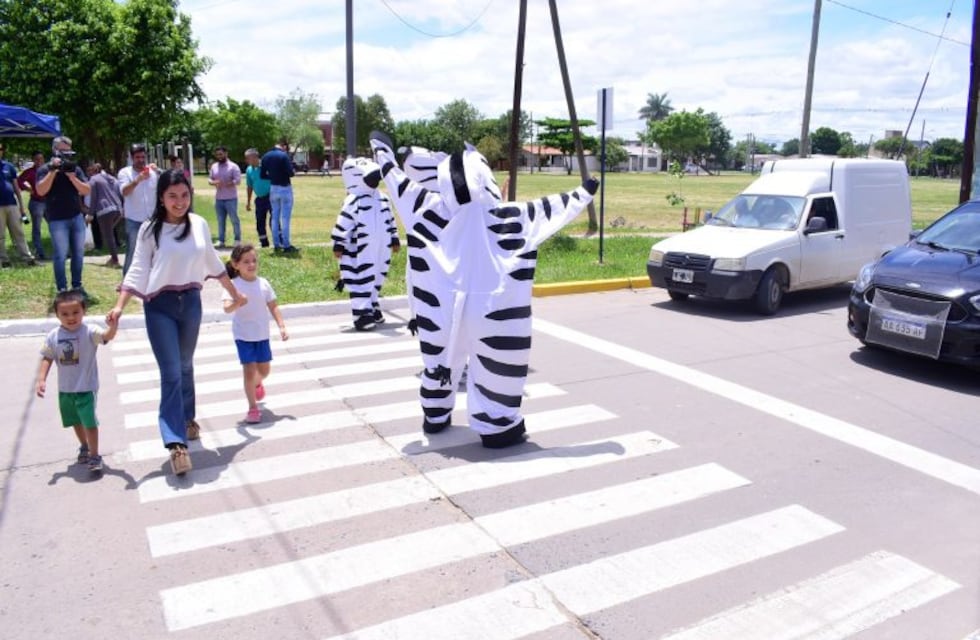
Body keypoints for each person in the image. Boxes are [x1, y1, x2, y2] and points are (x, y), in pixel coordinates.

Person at [370, 132, 598, 448]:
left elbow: (396, 181)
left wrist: (381, 150)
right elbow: (551, 211)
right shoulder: (511, 216)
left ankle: (435, 415)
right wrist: (583, 193)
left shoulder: (429, 208)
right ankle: (496, 425)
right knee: (497, 368)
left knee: (439, 362)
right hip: (495, 309)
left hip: (441, 308)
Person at [107, 169, 246, 476]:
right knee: (171, 372)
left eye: (184, 195)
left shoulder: (199, 225)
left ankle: (186, 418)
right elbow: (137, 269)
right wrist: (119, 307)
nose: (179, 202)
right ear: (161, 198)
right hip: (159, 307)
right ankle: (175, 444)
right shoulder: (149, 229)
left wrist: (235, 294)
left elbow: (212, 261)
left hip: (191, 304)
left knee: (185, 365)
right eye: (172, 196)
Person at [36, 289, 119, 473]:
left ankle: (95, 455)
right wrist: (41, 379)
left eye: (75, 312)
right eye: (64, 314)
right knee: (75, 420)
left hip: (86, 388)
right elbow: (47, 357)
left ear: (84, 311)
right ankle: (84, 446)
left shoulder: (89, 331)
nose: (70, 317)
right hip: (65, 389)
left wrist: (113, 326)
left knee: (89, 422)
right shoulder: (53, 335)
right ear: (57, 314)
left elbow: (107, 336)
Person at [222, 244, 288, 423]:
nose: (251, 264)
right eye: (246, 262)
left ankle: (257, 383)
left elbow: (273, 306)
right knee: (249, 371)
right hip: (243, 335)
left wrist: (281, 326)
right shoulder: (233, 285)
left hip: (262, 335)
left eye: (254, 261)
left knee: (264, 370)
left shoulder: (264, 283)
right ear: (236, 265)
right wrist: (238, 302)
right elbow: (227, 308)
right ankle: (252, 408)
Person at [332, 156, 400, 330]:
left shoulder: (383, 198)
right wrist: (339, 242)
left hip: (381, 249)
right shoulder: (353, 200)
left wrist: (394, 237)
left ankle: (372, 304)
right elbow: (344, 221)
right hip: (359, 249)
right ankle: (362, 314)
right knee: (360, 278)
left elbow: (390, 219)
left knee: (378, 275)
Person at [36, 136, 90, 293]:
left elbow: (86, 190)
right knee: (60, 254)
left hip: (76, 216)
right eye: (62, 151)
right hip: (57, 219)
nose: (65, 155)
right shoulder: (45, 169)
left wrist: (72, 177)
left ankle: (77, 285)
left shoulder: (74, 168)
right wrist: (53, 171)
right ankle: (61, 288)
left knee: (78, 254)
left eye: (68, 151)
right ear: (54, 150)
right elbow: (40, 191)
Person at [118, 143, 159, 276]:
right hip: (134, 220)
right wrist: (138, 180)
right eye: (137, 157)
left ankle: (152, 280)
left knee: (155, 251)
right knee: (133, 251)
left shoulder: (153, 173)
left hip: (152, 219)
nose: (141, 160)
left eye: (143, 157)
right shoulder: (125, 172)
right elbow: (124, 191)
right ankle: (127, 282)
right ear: (131, 157)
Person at [0, 142, 35, 268]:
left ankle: (27, 257)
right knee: (0, 235)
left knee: (18, 231)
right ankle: (3, 260)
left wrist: (21, 206)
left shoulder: (9, 166)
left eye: (1, 148)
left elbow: (16, 187)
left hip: (12, 204)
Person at [84, 163, 124, 267]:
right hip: (118, 208)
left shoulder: (93, 179)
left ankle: (115, 260)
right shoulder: (111, 178)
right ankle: (113, 257)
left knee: (108, 235)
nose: (88, 173)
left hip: (104, 209)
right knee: (109, 233)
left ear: (93, 171)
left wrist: (90, 214)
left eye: (89, 171)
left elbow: (94, 198)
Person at [260, 139, 296, 252]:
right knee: (285, 218)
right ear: (283, 146)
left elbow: (262, 175)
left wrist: (273, 176)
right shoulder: (283, 156)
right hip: (285, 187)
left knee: (274, 217)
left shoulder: (265, 156)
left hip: (273, 188)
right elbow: (291, 173)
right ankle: (286, 244)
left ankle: (276, 244)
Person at [208, 145, 241, 249]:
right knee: (220, 220)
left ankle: (237, 240)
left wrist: (230, 183)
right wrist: (213, 182)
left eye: (221, 154)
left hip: (231, 198)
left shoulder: (233, 166)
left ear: (226, 153)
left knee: (234, 219)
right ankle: (221, 240)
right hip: (219, 199)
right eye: (217, 155)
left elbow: (238, 180)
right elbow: (210, 179)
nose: (219, 156)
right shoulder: (214, 166)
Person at [17, 151, 48, 260]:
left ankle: (62, 250)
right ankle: (40, 252)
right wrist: (28, 188)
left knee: (55, 226)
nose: (39, 161)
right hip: (37, 203)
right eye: (37, 159)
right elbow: (19, 181)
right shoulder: (30, 172)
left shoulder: (48, 170)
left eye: (41, 159)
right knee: (37, 229)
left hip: (49, 202)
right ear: (33, 160)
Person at [244, 148, 272, 248]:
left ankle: (279, 240)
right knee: (260, 221)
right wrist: (248, 201)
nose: (246, 160)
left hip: (271, 196)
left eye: (248, 158)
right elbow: (250, 186)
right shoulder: (249, 170)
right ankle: (264, 242)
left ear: (255, 157)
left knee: (273, 220)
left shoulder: (266, 166)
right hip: (259, 199)